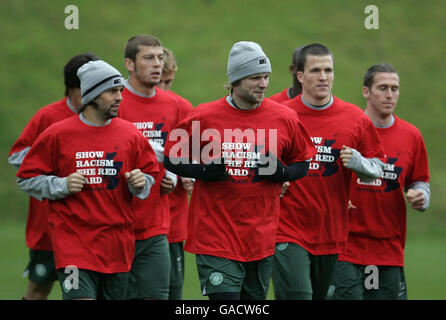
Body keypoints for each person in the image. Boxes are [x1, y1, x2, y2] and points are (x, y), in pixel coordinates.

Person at [163, 41, 317, 300]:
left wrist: (281, 174)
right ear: (236, 80)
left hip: (261, 237)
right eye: (256, 78)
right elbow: (170, 158)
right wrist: (203, 171)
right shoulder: (205, 116)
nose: (264, 84)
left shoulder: (285, 117)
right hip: (215, 238)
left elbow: (303, 163)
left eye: (266, 77)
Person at [16, 60, 159, 300]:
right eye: (112, 91)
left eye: (120, 91)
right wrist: (61, 185)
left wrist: (140, 183)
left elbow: (150, 175)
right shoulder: (57, 134)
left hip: (118, 249)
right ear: (91, 94)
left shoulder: (131, 134)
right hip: (74, 248)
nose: (120, 98)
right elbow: (26, 178)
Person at [274, 43, 386, 300]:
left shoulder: (355, 118)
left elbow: (377, 169)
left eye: (328, 70)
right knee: (297, 295)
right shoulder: (282, 115)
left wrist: (358, 163)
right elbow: (263, 163)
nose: (323, 77)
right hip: (288, 229)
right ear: (300, 77)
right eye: (315, 70)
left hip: (331, 231)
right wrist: (276, 179)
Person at [329, 63, 430, 300]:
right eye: (383, 88)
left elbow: (420, 181)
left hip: (388, 249)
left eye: (395, 88)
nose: (390, 94)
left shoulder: (411, 136)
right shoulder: (349, 129)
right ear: (366, 91)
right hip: (346, 246)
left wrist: (420, 196)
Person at [8, 52, 98, 300]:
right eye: (86, 88)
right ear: (71, 88)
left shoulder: (104, 118)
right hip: (47, 226)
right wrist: (58, 169)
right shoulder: (47, 116)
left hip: (92, 226)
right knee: (39, 290)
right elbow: (17, 156)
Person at [119, 34, 187, 300]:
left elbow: (188, 156)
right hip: (116, 223)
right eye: (148, 58)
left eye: (160, 57)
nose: (157, 64)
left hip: (161, 223)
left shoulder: (178, 106)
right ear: (130, 64)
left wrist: (175, 176)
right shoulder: (113, 102)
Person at [157, 46, 194, 300]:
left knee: (171, 292)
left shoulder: (182, 108)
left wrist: (189, 174)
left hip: (171, 218)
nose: (165, 90)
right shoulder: (119, 103)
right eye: (161, 82)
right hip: (128, 222)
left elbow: (197, 155)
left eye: (169, 82)